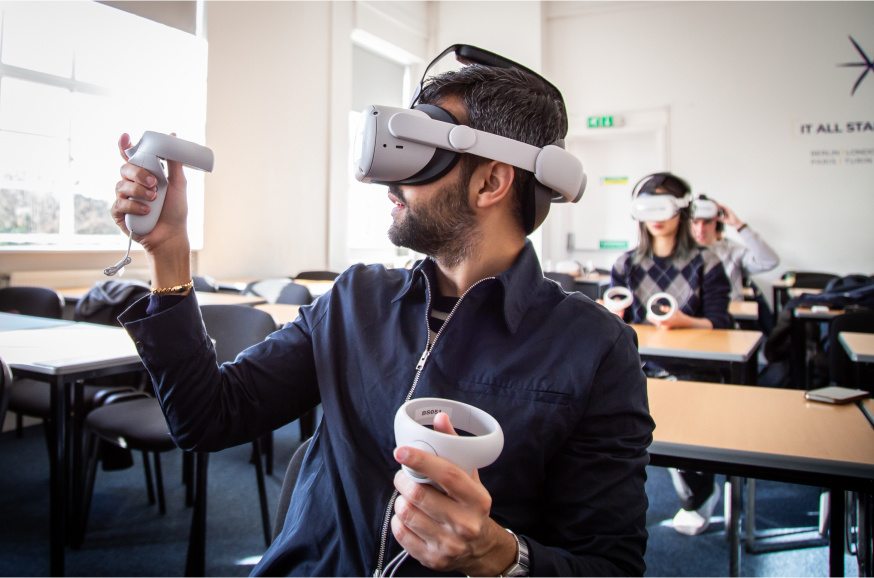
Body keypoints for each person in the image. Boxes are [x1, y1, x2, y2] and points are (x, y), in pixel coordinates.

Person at [110, 50, 654, 577]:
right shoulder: (356, 300)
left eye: (421, 152)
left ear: (491, 181)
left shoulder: (593, 349)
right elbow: (206, 416)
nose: (387, 179)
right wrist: (168, 249)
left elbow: (610, 566)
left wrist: (498, 556)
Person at [607, 172, 730, 537]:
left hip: (692, 367)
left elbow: (720, 325)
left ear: (682, 209)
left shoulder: (707, 263)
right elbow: (617, 315)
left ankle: (700, 493)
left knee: (684, 424)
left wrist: (684, 321)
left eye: (665, 205)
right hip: (639, 366)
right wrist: (609, 315)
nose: (657, 217)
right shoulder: (626, 264)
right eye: (648, 207)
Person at [691, 195, 780, 302]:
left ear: (717, 224)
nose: (700, 230)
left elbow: (769, 261)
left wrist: (739, 225)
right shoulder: (678, 252)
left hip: (729, 315)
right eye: (695, 222)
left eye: (707, 222)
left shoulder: (732, 251)